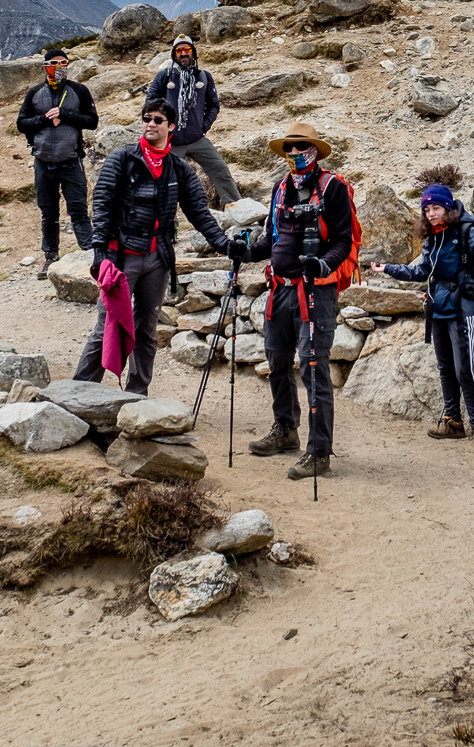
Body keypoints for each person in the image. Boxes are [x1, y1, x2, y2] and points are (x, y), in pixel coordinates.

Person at [74, 96, 234, 393]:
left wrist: (224, 245)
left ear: (171, 126)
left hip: (158, 259)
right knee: (106, 325)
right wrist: (99, 253)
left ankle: (137, 394)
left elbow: (198, 211)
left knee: (146, 329)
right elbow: (103, 205)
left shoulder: (179, 168)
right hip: (119, 258)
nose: (150, 124)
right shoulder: (121, 159)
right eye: (147, 118)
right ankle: (80, 390)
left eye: (158, 120)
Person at [229, 120, 357, 482]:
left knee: (314, 366)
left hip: (315, 289)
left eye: (300, 147)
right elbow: (273, 239)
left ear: (314, 151)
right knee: (277, 359)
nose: (294, 153)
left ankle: (319, 451)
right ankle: (285, 429)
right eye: (289, 148)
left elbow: (343, 240)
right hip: (280, 287)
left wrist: (324, 263)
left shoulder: (333, 188)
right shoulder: (280, 188)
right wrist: (246, 252)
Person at [371, 183, 474, 451]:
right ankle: (452, 422)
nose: (430, 213)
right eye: (426, 209)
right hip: (438, 308)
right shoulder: (432, 237)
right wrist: (388, 268)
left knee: (465, 370)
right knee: (445, 367)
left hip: (464, 309)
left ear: (447, 207)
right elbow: (421, 271)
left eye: (435, 207)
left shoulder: (465, 230)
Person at [16, 45, 100, 267]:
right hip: (43, 161)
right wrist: (44, 119)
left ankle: (89, 254)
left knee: (78, 209)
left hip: (71, 160)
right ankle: (51, 257)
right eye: (54, 64)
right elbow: (21, 123)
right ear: (46, 67)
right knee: (48, 211)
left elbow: (92, 121)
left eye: (64, 63)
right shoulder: (35, 93)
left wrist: (66, 115)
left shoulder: (79, 91)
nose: (60, 67)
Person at [145, 35, 241, 203]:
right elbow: (149, 106)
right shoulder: (164, 77)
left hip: (196, 139)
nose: (183, 53)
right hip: (170, 142)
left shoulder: (204, 76)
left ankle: (239, 209)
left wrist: (203, 127)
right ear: (174, 55)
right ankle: (162, 224)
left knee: (220, 170)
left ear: (193, 53)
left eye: (187, 50)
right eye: (179, 50)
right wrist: (161, 131)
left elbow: (213, 105)